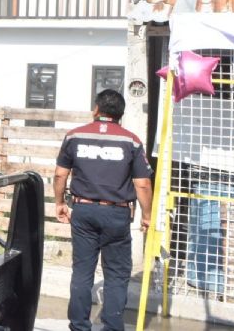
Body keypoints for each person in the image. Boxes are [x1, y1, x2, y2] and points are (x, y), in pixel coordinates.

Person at [53, 89, 153, 331]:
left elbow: (60, 174)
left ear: (96, 110)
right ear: (121, 114)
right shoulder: (131, 140)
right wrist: (147, 216)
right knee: (116, 275)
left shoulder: (74, 136)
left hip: (83, 212)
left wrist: (59, 203)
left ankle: (78, 327)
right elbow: (143, 183)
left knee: (82, 272)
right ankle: (112, 327)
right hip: (117, 215)